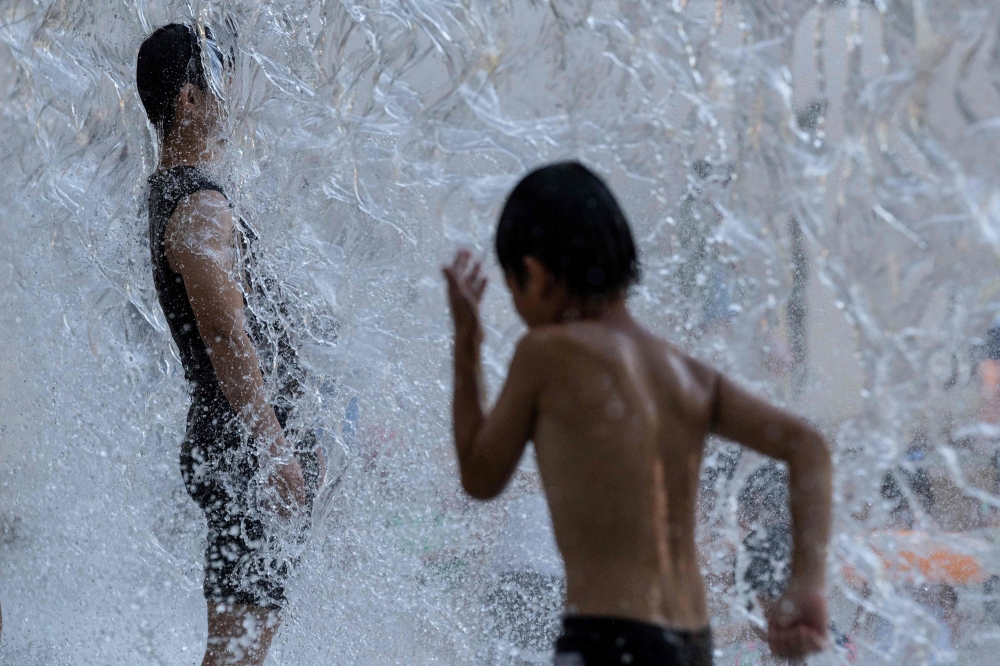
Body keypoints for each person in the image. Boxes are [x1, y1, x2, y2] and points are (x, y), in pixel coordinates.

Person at [443, 162, 833, 665]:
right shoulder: (683, 371)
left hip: (610, 640)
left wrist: (468, 344)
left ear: (536, 276)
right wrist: (806, 586)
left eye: (513, 289)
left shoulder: (547, 353)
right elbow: (808, 447)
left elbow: (480, 476)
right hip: (691, 642)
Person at [137, 23, 322, 666]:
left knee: (240, 652)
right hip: (245, 455)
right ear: (188, 98)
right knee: (236, 659)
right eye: (218, 78)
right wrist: (274, 452)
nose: (230, 97)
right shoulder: (198, 208)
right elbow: (223, 331)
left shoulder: (174, 198)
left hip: (236, 447)